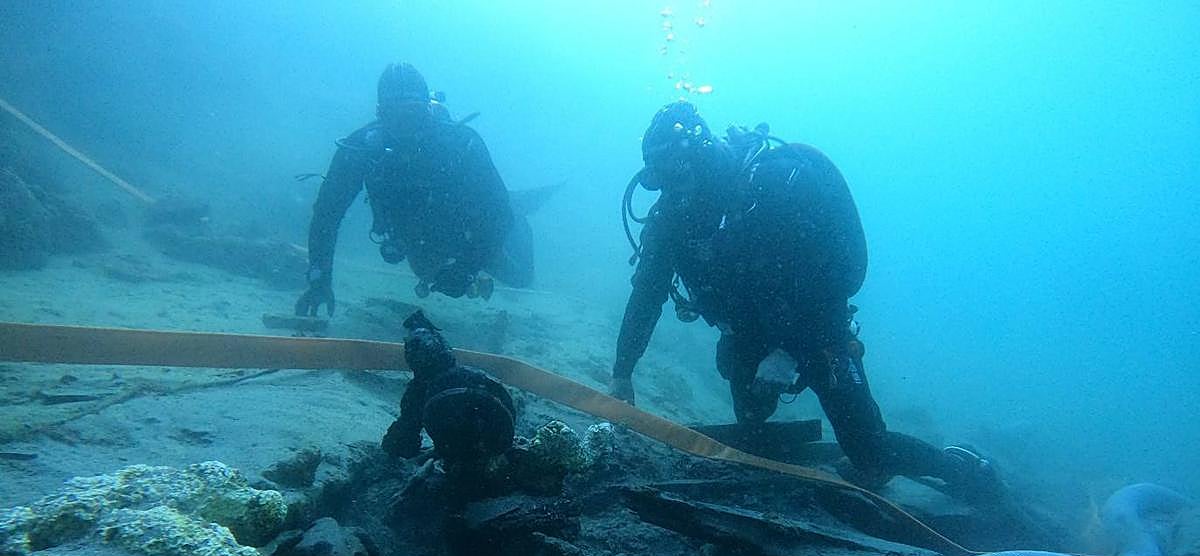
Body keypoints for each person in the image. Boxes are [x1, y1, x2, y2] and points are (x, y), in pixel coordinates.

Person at [610, 101, 1001, 502]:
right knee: (751, 419)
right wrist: (622, 372)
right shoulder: (674, 216)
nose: (675, 190)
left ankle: (964, 467)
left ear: (701, 155)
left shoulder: (776, 187)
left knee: (870, 452)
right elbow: (647, 295)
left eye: (679, 174)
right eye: (664, 180)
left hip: (816, 328)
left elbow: (827, 280)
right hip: (750, 332)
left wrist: (788, 352)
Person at [295, 63, 513, 315]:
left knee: (519, 276)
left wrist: (469, 266)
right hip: (416, 236)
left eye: (413, 113)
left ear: (428, 110)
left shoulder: (461, 144)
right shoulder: (360, 150)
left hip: (469, 228)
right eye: (395, 116)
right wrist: (319, 279)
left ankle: (517, 209)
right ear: (380, 114)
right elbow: (327, 214)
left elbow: (500, 214)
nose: (406, 126)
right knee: (426, 271)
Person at [382, 310, 515, 464]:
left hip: (463, 455)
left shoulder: (418, 393)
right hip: (491, 447)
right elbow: (505, 404)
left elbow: (401, 443)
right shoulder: (474, 378)